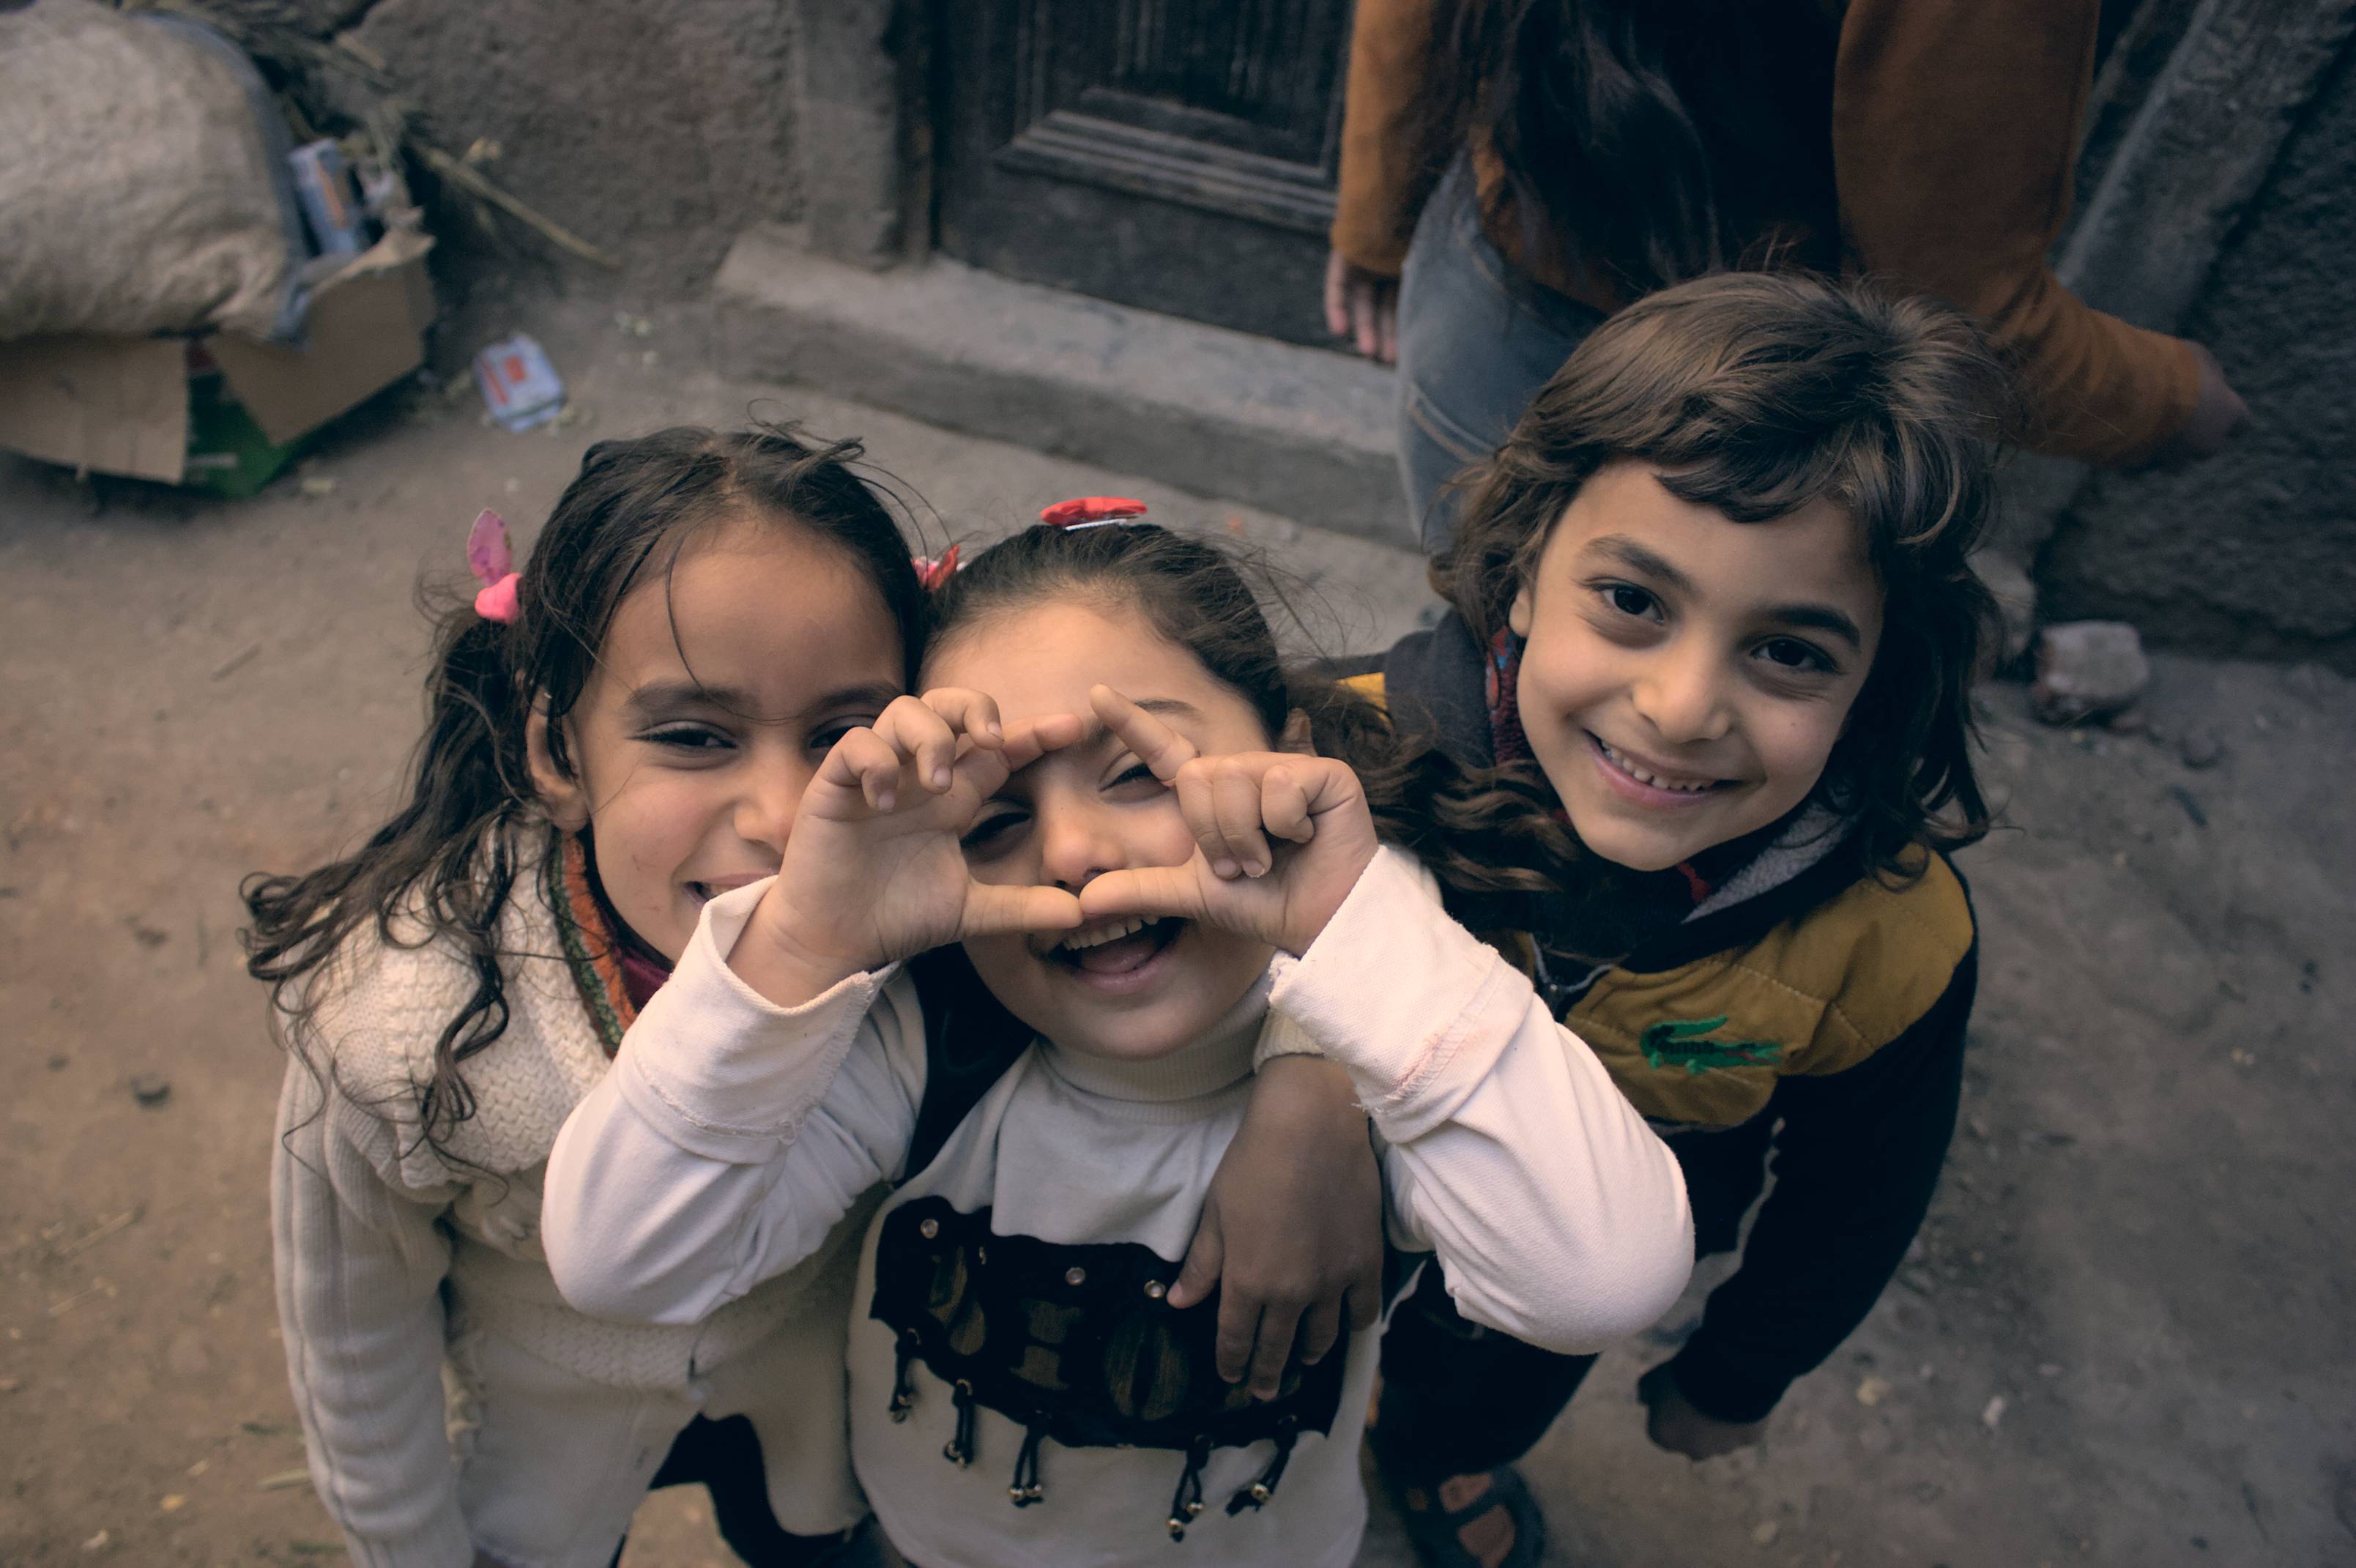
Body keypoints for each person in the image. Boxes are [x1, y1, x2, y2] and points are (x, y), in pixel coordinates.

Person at [244, 433, 1380, 1568]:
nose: (789, 817)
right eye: (696, 737)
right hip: (543, 1445)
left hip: (826, 1441)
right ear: (554, 749)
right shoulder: (392, 1027)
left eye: (844, 735)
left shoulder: (950, 918)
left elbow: (1332, 798)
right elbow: (354, 1343)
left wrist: (1313, 1061)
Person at [538, 512, 1695, 1568]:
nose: (1078, 851)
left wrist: (1357, 919)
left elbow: (1603, 1278)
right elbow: (622, 1265)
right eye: (994, 816)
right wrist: (798, 939)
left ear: (1287, 747)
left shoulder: (1390, 1061)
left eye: (1141, 771)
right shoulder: (928, 1037)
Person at [1334, 273, 2001, 1568]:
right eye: (1633, 603)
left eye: (1790, 652)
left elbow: (1858, 1192)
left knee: (1483, 1388)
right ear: (1521, 575)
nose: (1685, 706)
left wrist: (1737, 1372)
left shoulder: (1888, 942)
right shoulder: (1343, 756)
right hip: (1319, 1186)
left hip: (1570, 1278)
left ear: (1878, 683)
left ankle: (1428, 1450)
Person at [1326, 0, 2252, 554]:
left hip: (1490, 283)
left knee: (1490, 639)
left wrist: (1378, 209)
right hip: (1751, 391)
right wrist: (2169, 402)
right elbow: (1952, 312)